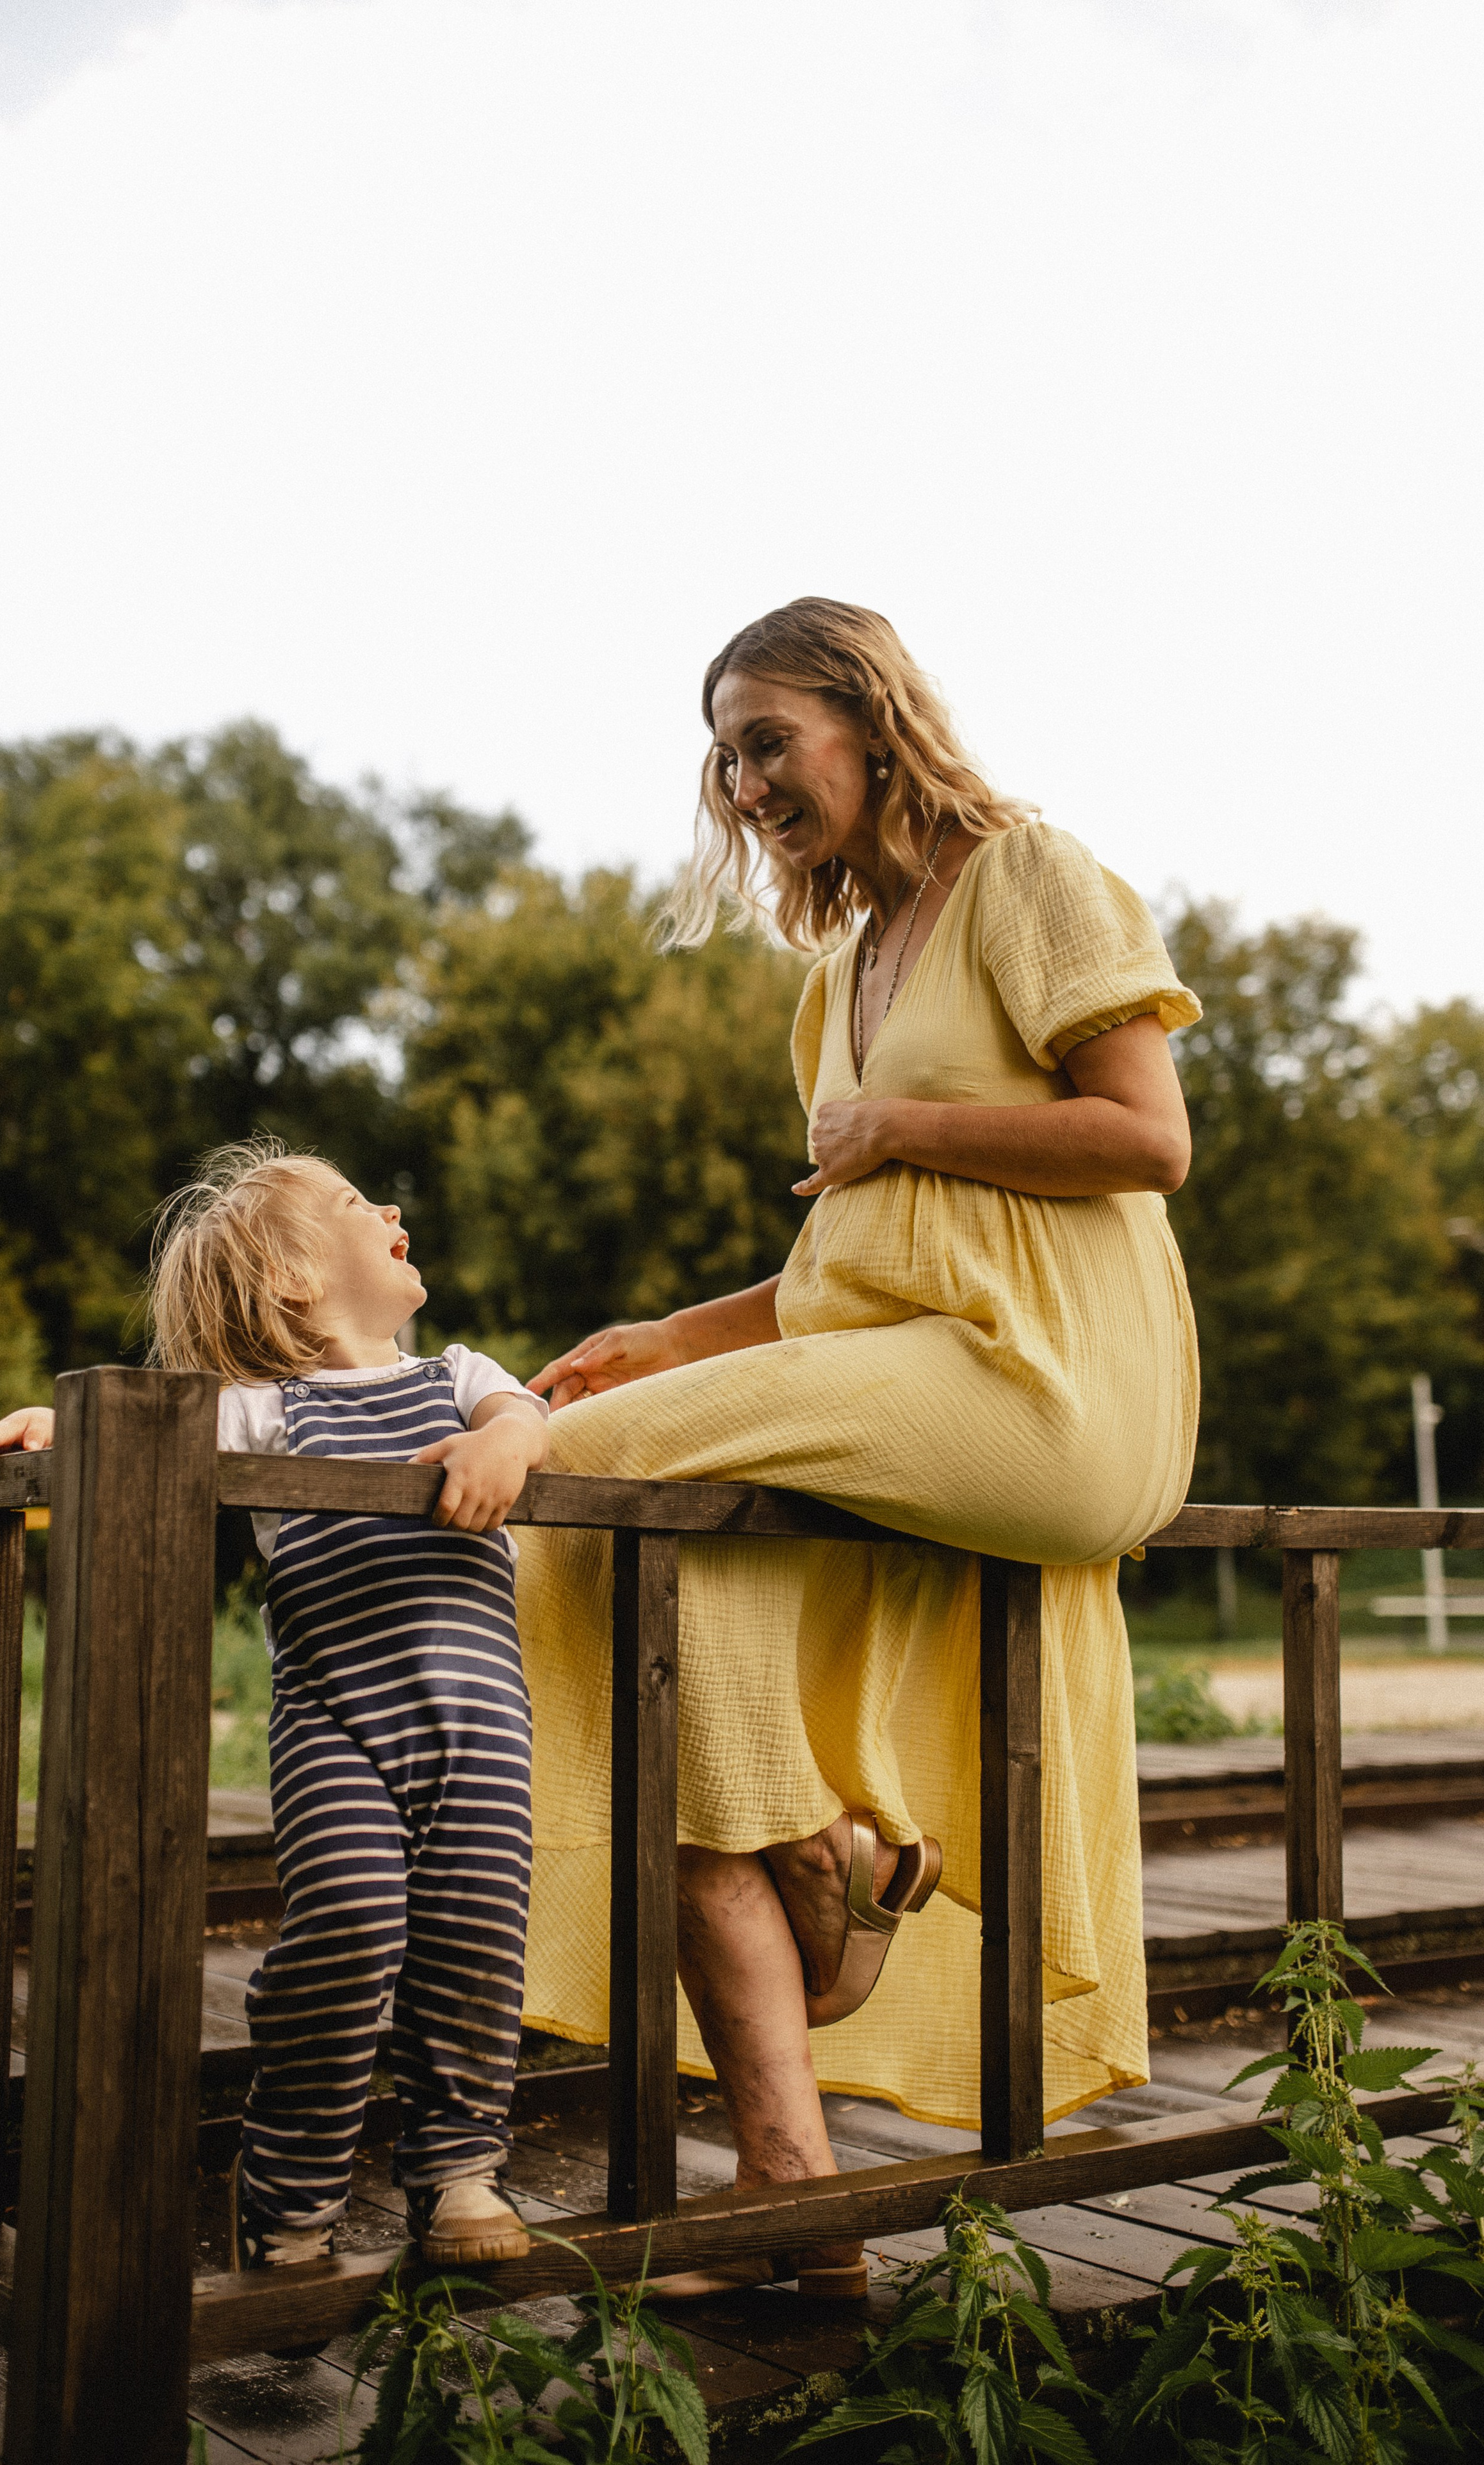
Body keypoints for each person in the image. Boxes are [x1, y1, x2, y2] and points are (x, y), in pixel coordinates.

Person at [518, 597, 1201, 2299]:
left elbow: (1148, 1137)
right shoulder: (836, 980)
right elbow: (856, 1269)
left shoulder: (1026, 874)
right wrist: (673, 1336)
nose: (739, 780)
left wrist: (898, 1121)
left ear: (873, 719)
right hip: (911, 1364)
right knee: (682, 1646)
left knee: (560, 1466)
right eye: (723, 753)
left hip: (1045, 1381)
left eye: (766, 739)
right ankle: (791, 2179)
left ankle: (843, 1862)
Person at [0, 1140, 551, 2279]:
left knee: (479, 1943)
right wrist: (53, 1423)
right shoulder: (268, 1412)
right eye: (348, 1202)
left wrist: (502, 1447)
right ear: (292, 1280)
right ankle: (290, 2180)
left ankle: (461, 2167)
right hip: (339, 1726)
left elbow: (529, 1418)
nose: (388, 1204)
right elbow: (158, 1430)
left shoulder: (460, 1378)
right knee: (352, 1925)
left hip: (481, 1735)